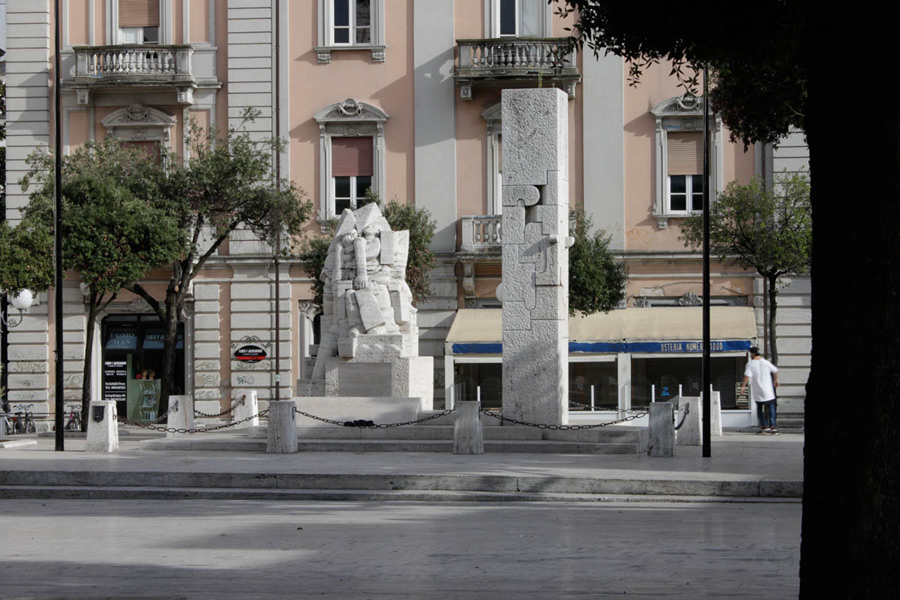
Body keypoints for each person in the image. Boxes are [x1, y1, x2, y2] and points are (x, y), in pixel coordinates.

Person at [740, 346, 779, 434]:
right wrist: (775, 380)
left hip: (758, 389)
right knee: (771, 407)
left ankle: (763, 425)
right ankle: (773, 426)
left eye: (751, 354)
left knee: (759, 408)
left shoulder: (750, 364)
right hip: (768, 389)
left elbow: (747, 375)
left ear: (752, 353)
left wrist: (743, 386)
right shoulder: (765, 362)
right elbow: (775, 370)